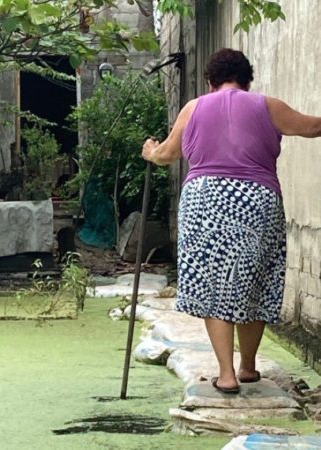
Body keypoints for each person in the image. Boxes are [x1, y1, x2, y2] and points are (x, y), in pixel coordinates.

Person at [142, 48, 321, 394]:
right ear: (247, 80)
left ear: (210, 81)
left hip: (204, 200)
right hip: (257, 200)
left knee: (213, 284)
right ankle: (248, 367)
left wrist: (150, 151)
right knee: (255, 278)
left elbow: (166, 154)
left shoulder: (194, 108)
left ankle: (225, 375)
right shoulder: (266, 105)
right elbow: (313, 127)